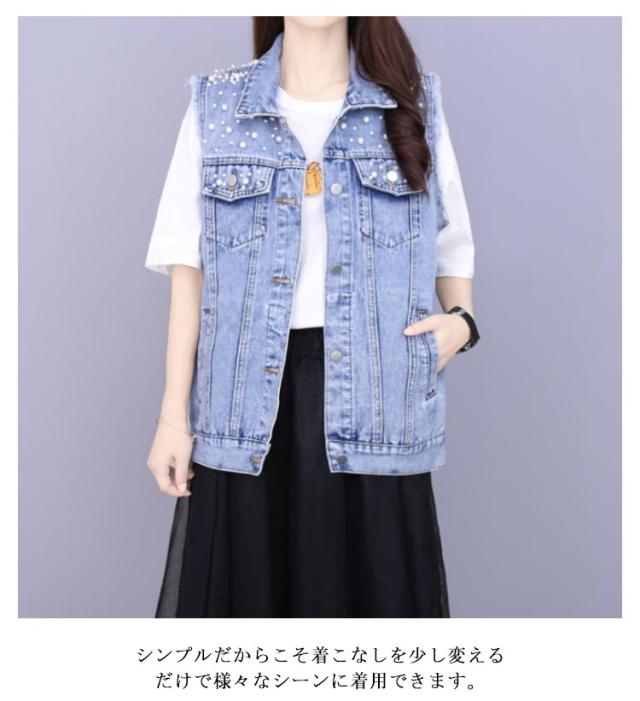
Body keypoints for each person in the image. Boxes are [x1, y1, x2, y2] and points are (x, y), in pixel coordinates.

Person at [145, 16, 479, 618]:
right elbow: (186, 272)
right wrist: (173, 418)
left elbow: (451, 241)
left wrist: (463, 321)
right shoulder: (217, 105)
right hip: (246, 405)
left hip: (377, 401)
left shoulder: (412, 103)